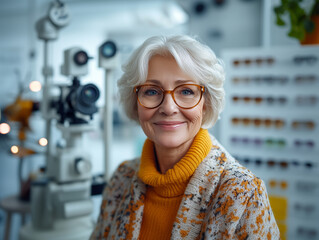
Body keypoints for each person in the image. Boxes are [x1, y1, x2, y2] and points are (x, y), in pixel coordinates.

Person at [90, 35, 280, 240]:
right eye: (152, 91)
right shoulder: (121, 179)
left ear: (205, 103)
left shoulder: (242, 194)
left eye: (187, 91)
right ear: (135, 102)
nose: (168, 108)